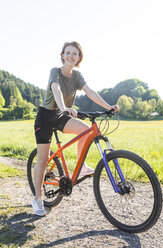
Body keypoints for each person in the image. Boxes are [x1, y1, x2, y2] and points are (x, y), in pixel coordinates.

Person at [32, 41, 119, 216]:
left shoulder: (77, 76)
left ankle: (82, 167)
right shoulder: (55, 72)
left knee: (86, 131)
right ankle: (38, 199)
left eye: (75, 54)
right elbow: (56, 90)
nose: (71, 56)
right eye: (68, 53)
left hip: (61, 115)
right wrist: (64, 108)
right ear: (63, 55)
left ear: (79, 58)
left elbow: (90, 92)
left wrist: (108, 106)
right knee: (43, 160)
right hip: (45, 116)